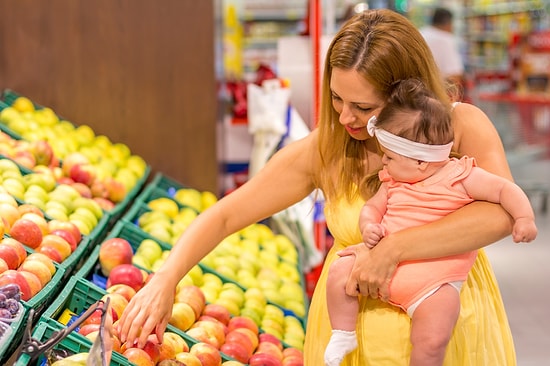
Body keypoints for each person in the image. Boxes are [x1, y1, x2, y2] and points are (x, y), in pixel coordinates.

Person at [117, 9, 521, 365]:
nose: (346, 116)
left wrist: (395, 249)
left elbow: (502, 213)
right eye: (336, 99)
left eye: (363, 107)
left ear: (407, 94)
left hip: (445, 334)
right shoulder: (326, 150)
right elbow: (227, 215)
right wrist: (165, 280)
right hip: (353, 341)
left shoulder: (459, 127)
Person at [324, 78, 537, 366]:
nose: (382, 163)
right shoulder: (393, 180)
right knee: (338, 271)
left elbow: (504, 190)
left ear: (421, 162)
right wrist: (369, 226)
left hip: (434, 283)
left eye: (388, 156)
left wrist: (523, 217)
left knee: (435, 333)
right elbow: (372, 208)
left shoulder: (459, 176)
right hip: (380, 267)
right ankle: (343, 332)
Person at [420, 7, 465, 87]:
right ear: (448, 23)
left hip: (415, 90)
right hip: (436, 92)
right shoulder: (445, 39)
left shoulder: (420, 33)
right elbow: (455, 75)